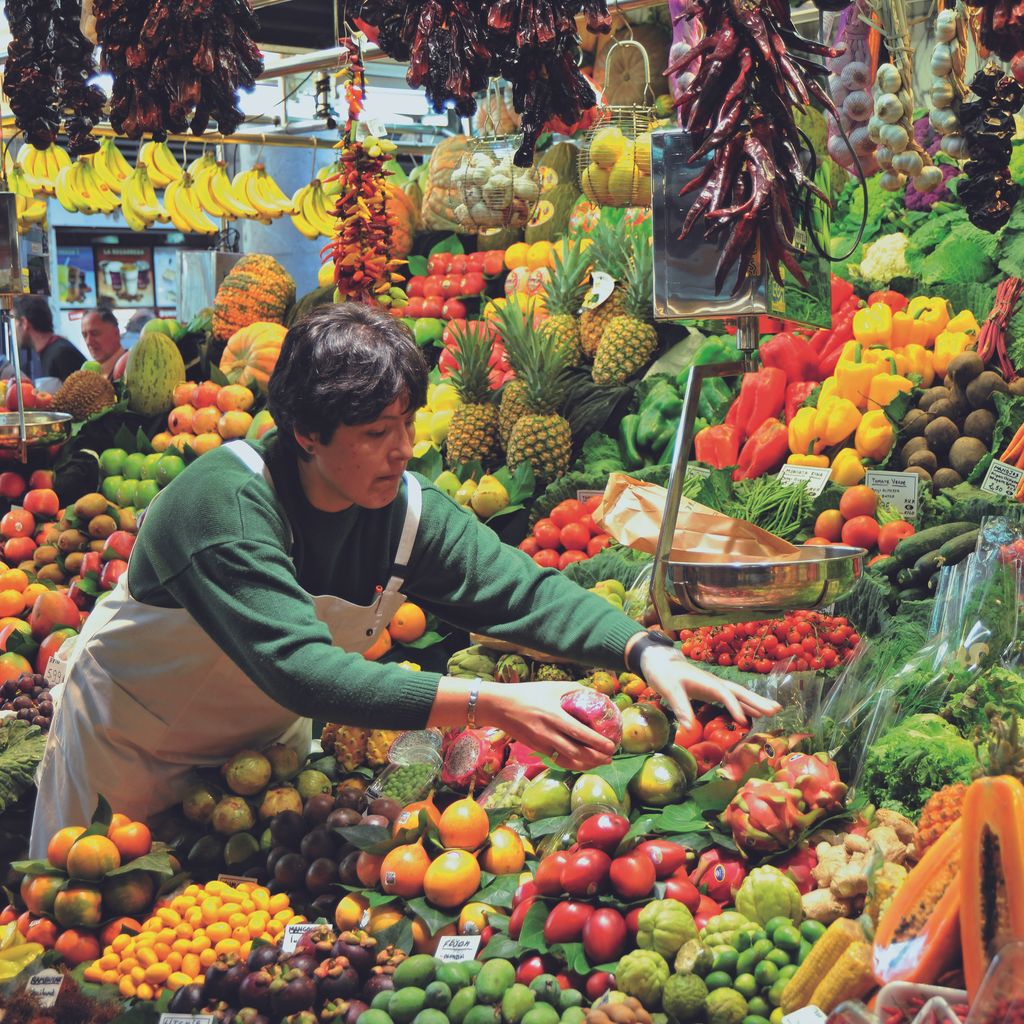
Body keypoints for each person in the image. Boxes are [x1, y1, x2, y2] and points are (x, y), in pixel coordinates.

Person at [30, 304, 777, 854]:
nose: (402, 451)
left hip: (260, 767)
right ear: (306, 435)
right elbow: (299, 668)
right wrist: (491, 703)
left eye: (408, 425)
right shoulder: (223, 503)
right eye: (375, 434)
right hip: (125, 762)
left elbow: (521, 591)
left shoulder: (404, 509)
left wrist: (647, 651)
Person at [11, 294, 84, 382]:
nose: (10, 332)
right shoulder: (50, 352)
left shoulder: (62, 354)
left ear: (24, 323)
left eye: (13, 324)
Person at [80, 307, 127, 380]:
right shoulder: (87, 375)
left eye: (95, 333)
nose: (88, 341)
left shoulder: (131, 367)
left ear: (116, 333)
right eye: (84, 335)